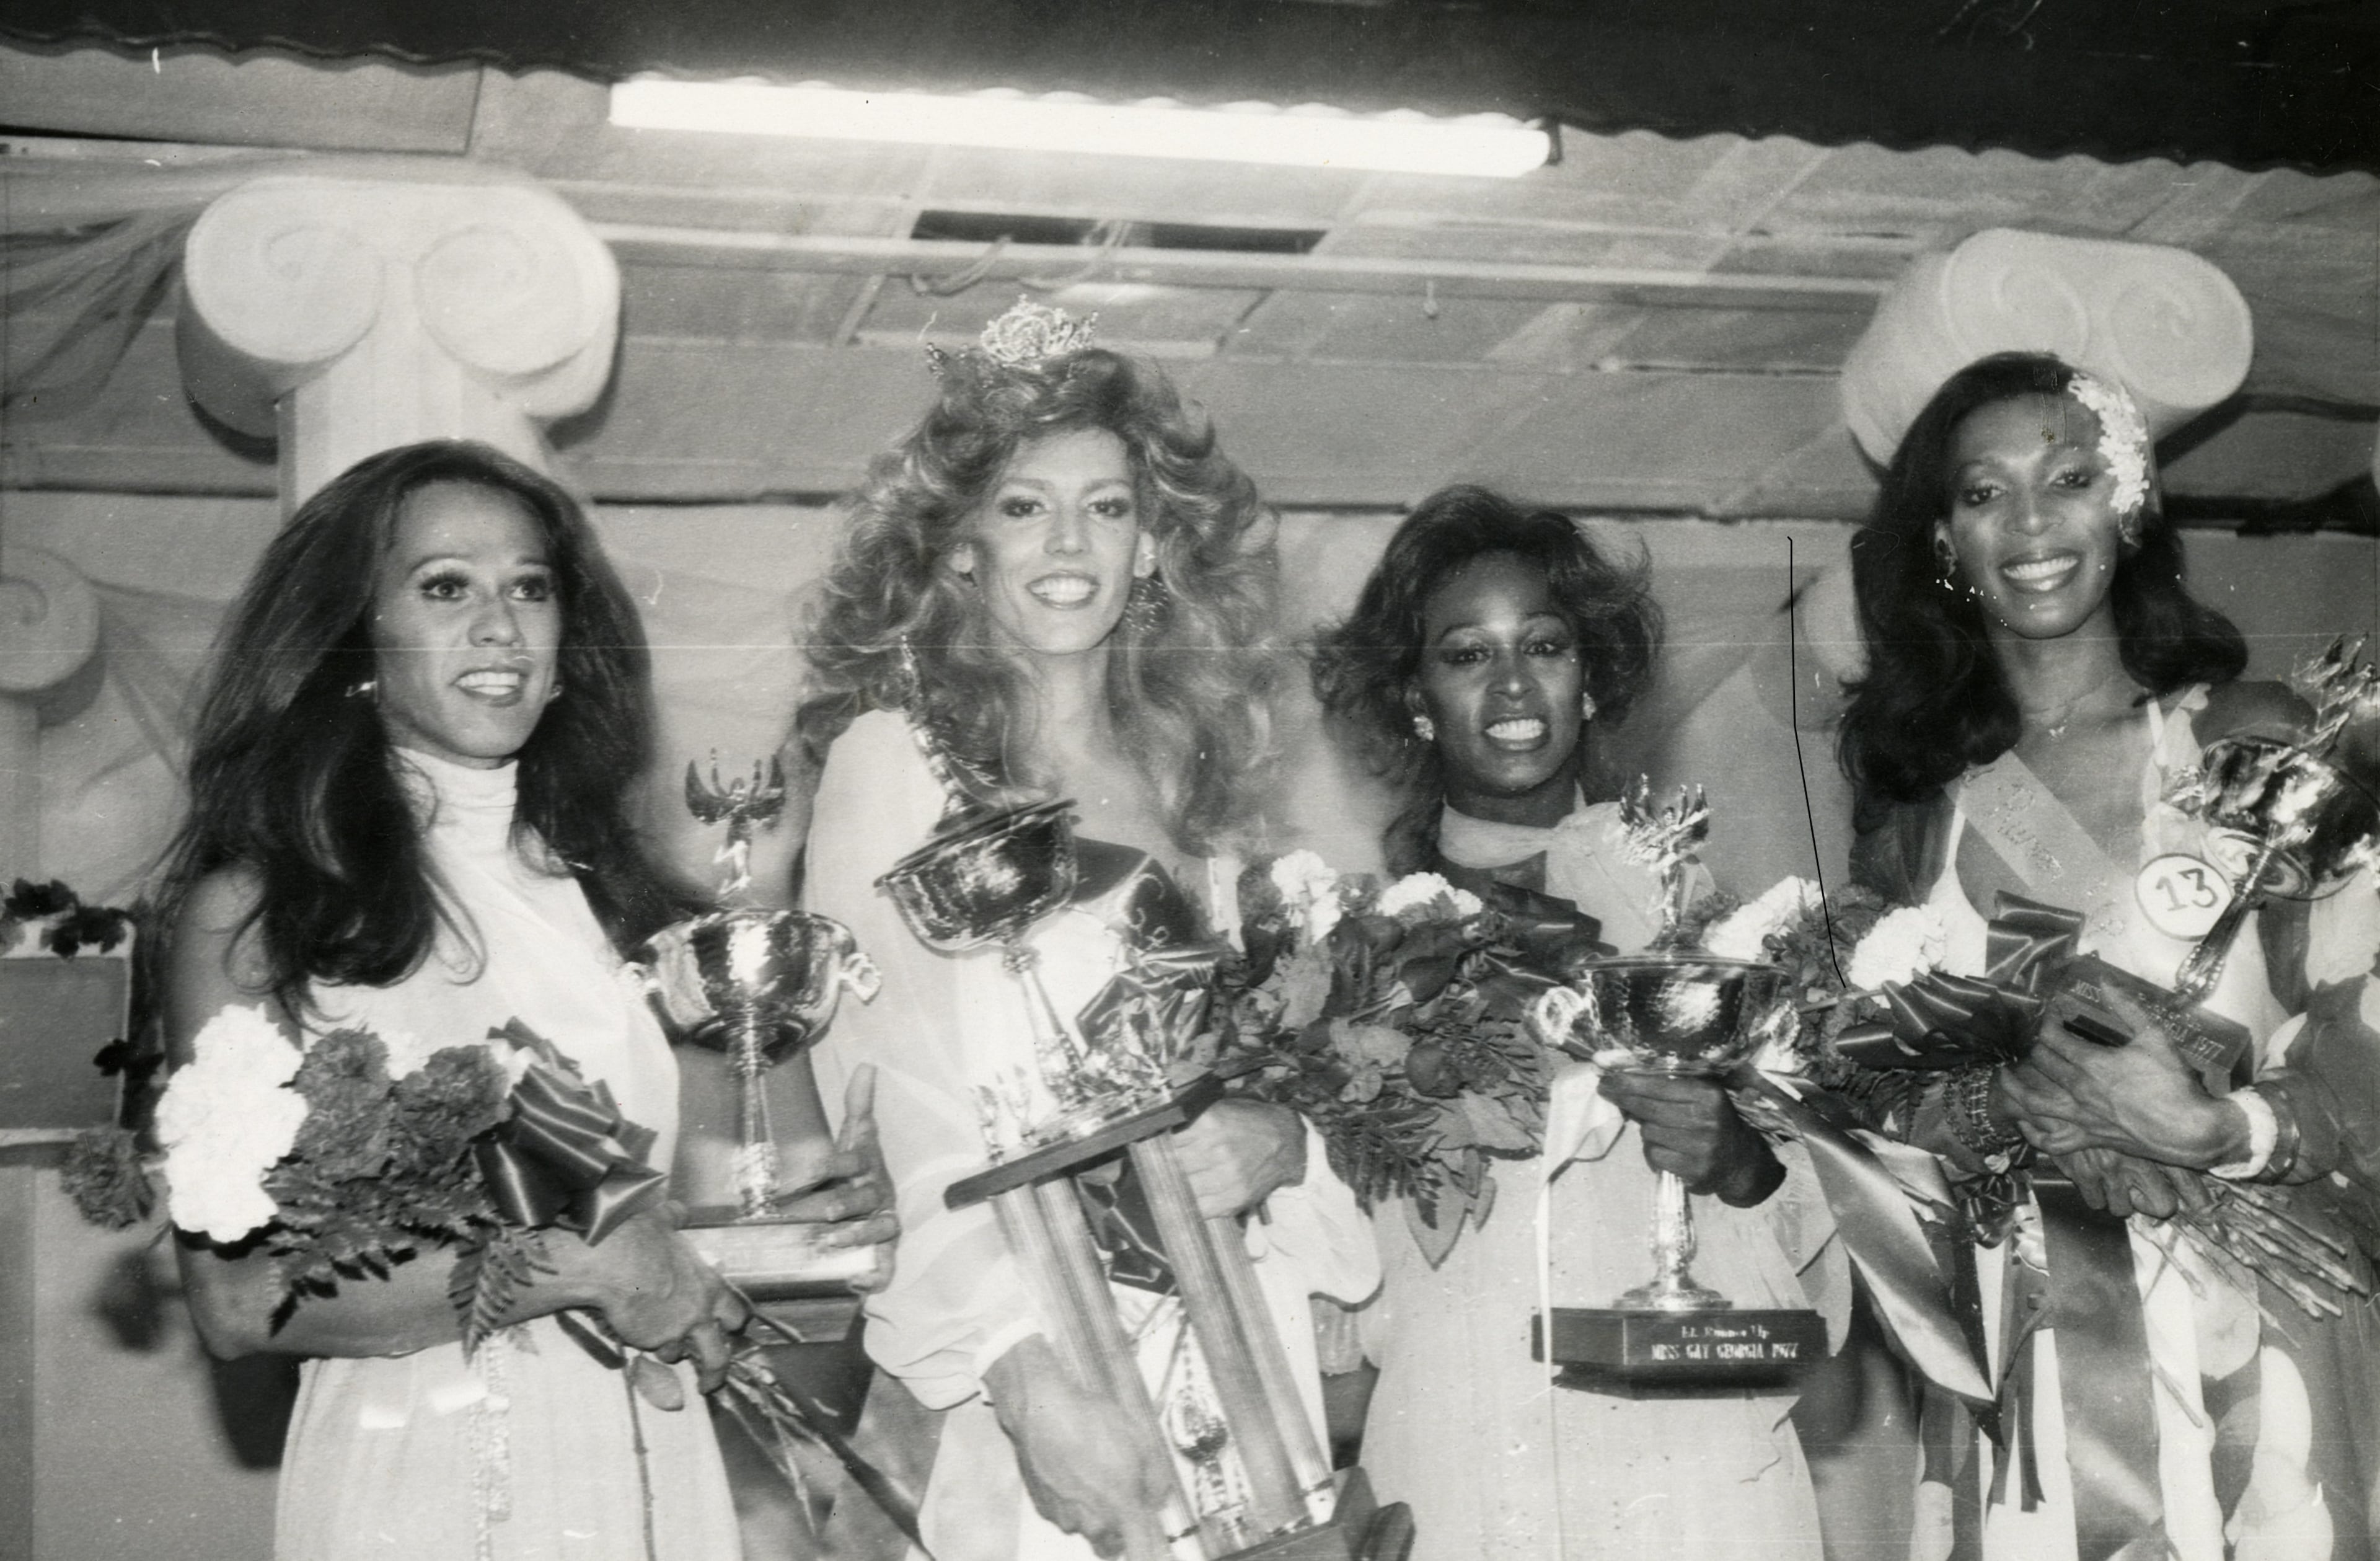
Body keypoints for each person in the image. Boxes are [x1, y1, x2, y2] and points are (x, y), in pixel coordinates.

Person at [155, 440, 894, 1560]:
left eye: (530, 587)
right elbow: (239, 1297)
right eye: (445, 585)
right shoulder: (258, 913)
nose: (501, 625)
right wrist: (583, 1268)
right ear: (357, 639)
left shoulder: (612, 901)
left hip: (650, 1461)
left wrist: (801, 1219)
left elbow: (658, 1220)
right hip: (428, 1477)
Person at [794, 301, 1380, 1561]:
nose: (1069, 542)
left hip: (1241, 1345)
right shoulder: (895, 763)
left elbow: (1267, 1067)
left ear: (1153, 542)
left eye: (1107, 506)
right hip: (1052, 1373)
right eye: (1022, 505)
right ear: (958, 546)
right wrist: (1019, 1375)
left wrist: (1282, 1145)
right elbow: (890, 1092)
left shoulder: (1200, 795)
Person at [1838, 351, 2380, 1561]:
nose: (2031, 523)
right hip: (2024, 1353)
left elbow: (2367, 1011)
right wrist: (1999, 1104)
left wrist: (2224, 1128)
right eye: (1984, 494)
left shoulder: (2261, 746)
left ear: (2130, 502)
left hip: (2257, 1332)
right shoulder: (1919, 819)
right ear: (1943, 540)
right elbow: (1870, 1117)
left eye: (2070, 477)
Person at [1309, 484, 1841, 1560]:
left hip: (1686, 1471)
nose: (1511, 684)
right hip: (1460, 1460)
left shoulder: (1707, 923)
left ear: (1589, 678)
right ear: (1415, 697)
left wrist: (1736, 1158)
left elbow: (1824, 1241)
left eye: (1542, 645)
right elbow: (1336, 1297)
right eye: (1466, 654)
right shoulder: (1347, 958)